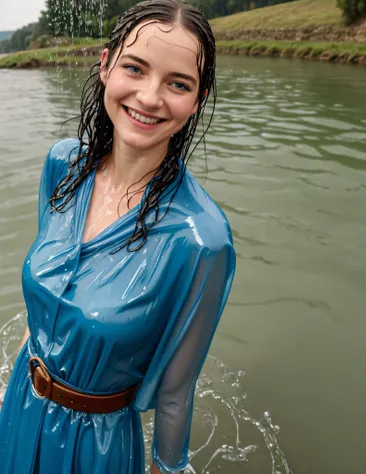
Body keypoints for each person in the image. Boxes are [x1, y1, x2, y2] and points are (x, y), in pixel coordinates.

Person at [0, 1, 236, 473]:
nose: (150, 97)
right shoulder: (62, 165)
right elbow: (42, 306)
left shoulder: (202, 241)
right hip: (19, 405)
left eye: (178, 83)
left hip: (96, 446)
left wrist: (166, 468)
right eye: (135, 67)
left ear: (198, 100)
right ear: (106, 66)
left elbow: (175, 393)